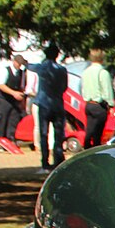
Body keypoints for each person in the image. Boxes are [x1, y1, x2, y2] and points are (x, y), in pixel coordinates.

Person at [29, 44, 67, 172]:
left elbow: (30, 66)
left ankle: (45, 162)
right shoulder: (62, 69)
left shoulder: (41, 68)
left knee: (44, 133)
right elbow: (64, 87)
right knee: (58, 134)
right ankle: (58, 159)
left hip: (44, 103)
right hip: (58, 103)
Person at [80, 49, 113, 149]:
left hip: (88, 104)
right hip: (99, 106)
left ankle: (86, 148)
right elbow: (107, 91)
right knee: (98, 134)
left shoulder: (85, 72)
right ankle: (95, 151)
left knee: (89, 130)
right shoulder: (103, 72)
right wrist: (111, 105)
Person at [0, 54, 28, 143]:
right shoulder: (5, 71)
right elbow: (0, 85)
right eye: (18, 63)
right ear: (14, 62)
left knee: (13, 121)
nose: (19, 65)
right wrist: (13, 93)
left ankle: (10, 140)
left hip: (15, 102)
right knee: (2, 121)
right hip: (4, 100)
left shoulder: (22, 73)